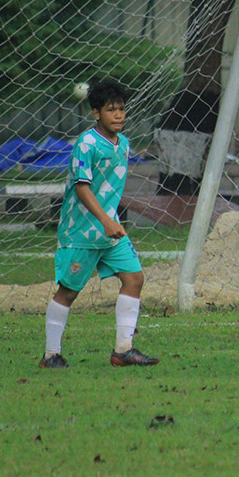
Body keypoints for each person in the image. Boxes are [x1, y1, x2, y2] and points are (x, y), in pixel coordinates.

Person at [39, 79, 159, 369]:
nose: (118, 115)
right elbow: (82, 188)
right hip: (82, 230)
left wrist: (110, 220)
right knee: (68, 291)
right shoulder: (85, 144)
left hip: (110, 230)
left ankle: (123, 350)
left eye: (121, 110)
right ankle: (50, 355)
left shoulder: (124, 144)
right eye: (110, 110)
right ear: (96, 114)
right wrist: (105, 219)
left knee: (134, 278)